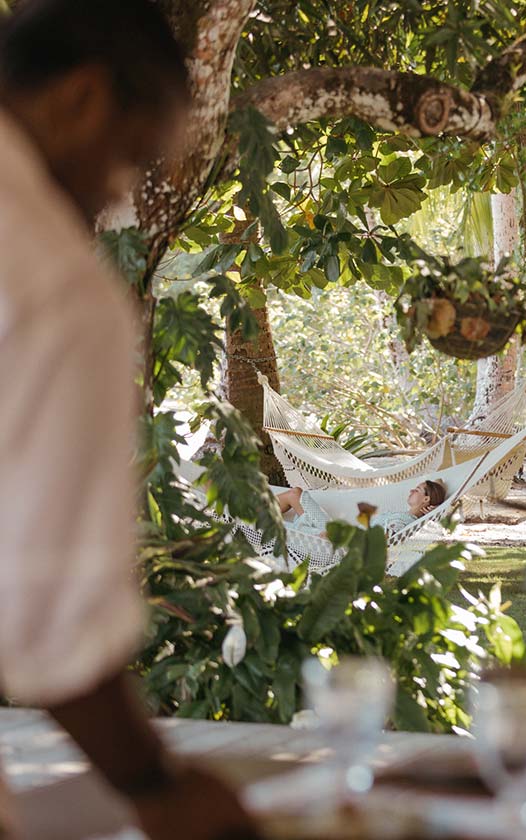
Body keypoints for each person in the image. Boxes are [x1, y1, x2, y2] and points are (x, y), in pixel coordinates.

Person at [0, 1, 260, 838]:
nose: (118, 191)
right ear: (81, 97)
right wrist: (157, 786)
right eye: (129, 157)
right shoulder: (51, 285)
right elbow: (49, 621)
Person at [276, 479, 448, 534]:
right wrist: (432, 511)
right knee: (295, 494)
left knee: (294, 495)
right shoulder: (406, 517)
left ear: (426, 499)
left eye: (417, 490)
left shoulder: (403, 521)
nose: (411, 490)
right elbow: (439, 481)